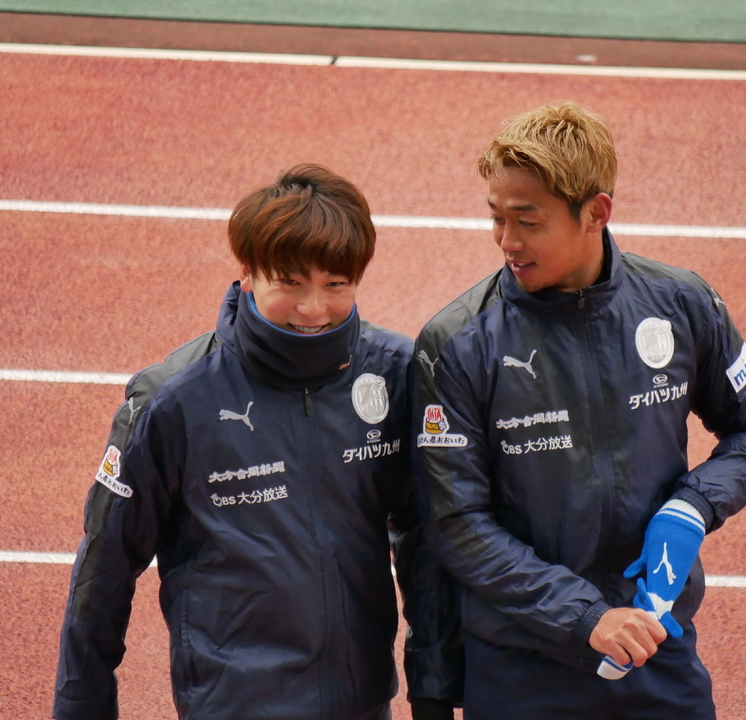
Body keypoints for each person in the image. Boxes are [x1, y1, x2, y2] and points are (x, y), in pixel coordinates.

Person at [412, 103, 746, 719]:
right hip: (521, 668)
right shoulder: (457, 342)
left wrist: (694, 506)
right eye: (497, 218)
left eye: (528, 221)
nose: (507, 242)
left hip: (655, 649)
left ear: (596, 213)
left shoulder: (681, 303)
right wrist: (586, 617)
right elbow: (456, 522)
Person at [53, 164, 460, 720]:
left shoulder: (394, 372)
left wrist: (433, 687)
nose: (314, 308)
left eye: (335, 284)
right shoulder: (173, 402)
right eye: (290, 283)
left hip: (364, 704)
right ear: (247, 273)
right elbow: (105, 569)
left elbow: (426, 540)